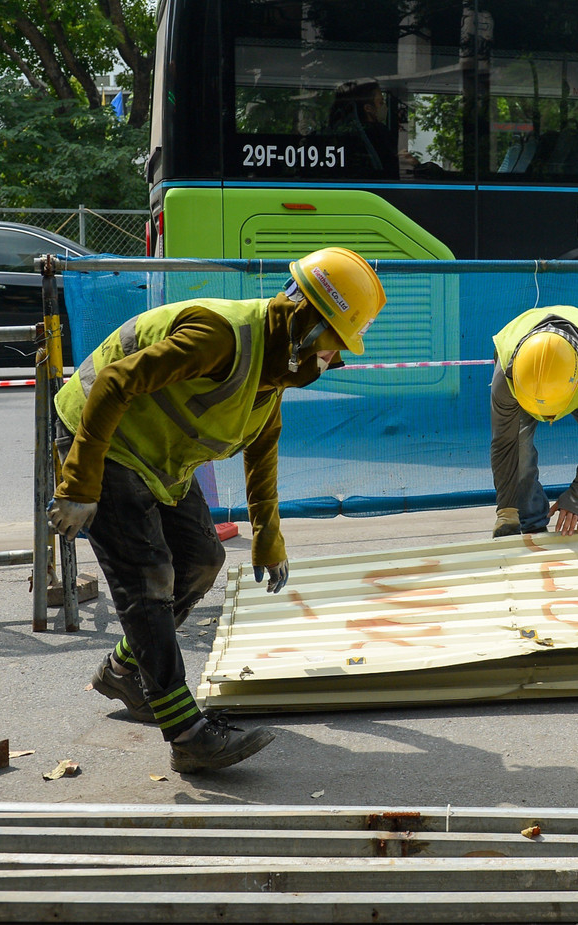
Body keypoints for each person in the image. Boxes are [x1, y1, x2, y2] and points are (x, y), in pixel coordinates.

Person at [46, 247, 386, 774]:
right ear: (305, 321)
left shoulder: (274, 371)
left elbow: (262, 447)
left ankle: (123, 672)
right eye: (333, 345)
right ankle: (187, 733)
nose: (335, 360)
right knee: (148, 579)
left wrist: (267, 536)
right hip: (97, 439)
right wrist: (80, 481)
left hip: (157, 459)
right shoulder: (220, 337)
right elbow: (113, 384)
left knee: (203, 559)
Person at [490, 306, 578, 538]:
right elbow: (504, 446)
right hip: (523, 388)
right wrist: (507, 510)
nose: (549, 418)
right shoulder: (506, 377)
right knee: (518, 452)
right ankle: (531, 523)